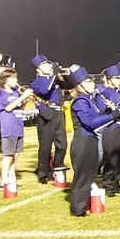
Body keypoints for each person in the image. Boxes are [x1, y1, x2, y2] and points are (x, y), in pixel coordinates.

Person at [67, 67, 116, 217]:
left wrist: (108, 112)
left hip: (90, 140)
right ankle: (77, 209)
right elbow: (90, 122)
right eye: (88, 81)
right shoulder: (80, 101)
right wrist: (113, 115)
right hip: (83, 142)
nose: (92, 83)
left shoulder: (89, 99)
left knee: (89, 174)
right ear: (79, 85)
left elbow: (97, 118)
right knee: (82, 176)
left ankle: (85, 203)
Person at [29, 55, 71, 184]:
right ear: (38, 69)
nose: (48, 67)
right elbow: (45, 91)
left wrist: (65, 76)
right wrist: (54, 76)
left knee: (62, 144)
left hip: (58, 113)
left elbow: (69, 85)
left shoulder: (56, 80)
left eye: (48, 64)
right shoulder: (34, 82)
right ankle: (43, 172)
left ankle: (57, 167)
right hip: (46, 114)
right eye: (44, 65)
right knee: (45, 145)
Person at [0, 69, 37, 188]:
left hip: (18, 125)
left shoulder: (15, 93)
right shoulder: (0, 93)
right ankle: (3, 180)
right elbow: (8, 108)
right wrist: (22, 96)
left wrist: (25, 101)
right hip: (8, 127)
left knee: (16, 154)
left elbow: (19, 108)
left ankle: (12, 177)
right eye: (13, 78)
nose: (16, 81)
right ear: (6, 80)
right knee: (8, 155)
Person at [96, 66, 120, 190]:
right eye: (117, 78)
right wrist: (115, 110)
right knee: (111, 158)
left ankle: (117, 182)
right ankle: (107, 185)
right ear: (109, 79)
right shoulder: (103, 93)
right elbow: (102, 111)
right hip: (111, 128)